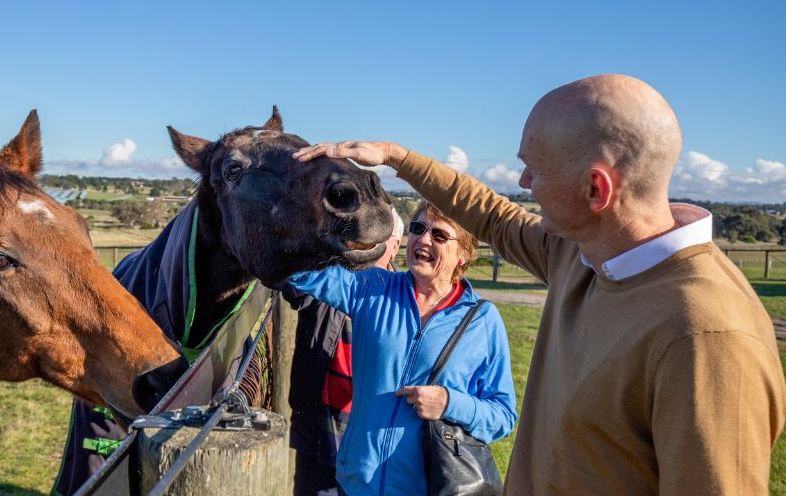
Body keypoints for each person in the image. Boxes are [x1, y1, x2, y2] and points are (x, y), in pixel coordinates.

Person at [292, 74, 786, 495]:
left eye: (536, 167)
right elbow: (490, 213)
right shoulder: (585, 254)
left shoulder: (708, 337)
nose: (523, 182)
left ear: (596, 189)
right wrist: (398, 157)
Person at [285, 202, 517, 496]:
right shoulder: (373, 287)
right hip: (355, 484)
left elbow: (503, 415)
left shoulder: (483, 320)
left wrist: (449, 402)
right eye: (417, 228)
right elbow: (302, 272)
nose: (423, 239)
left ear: (463, 255)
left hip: (425, 489)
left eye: (439, 235)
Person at [285, 206, 404, 496]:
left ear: (396, 244)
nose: (367, 242)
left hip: (374, 450)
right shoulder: (330, 280)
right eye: (361, 233)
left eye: (378, 234)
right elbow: (290, 277)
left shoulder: (407, 303)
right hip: (320, 436)